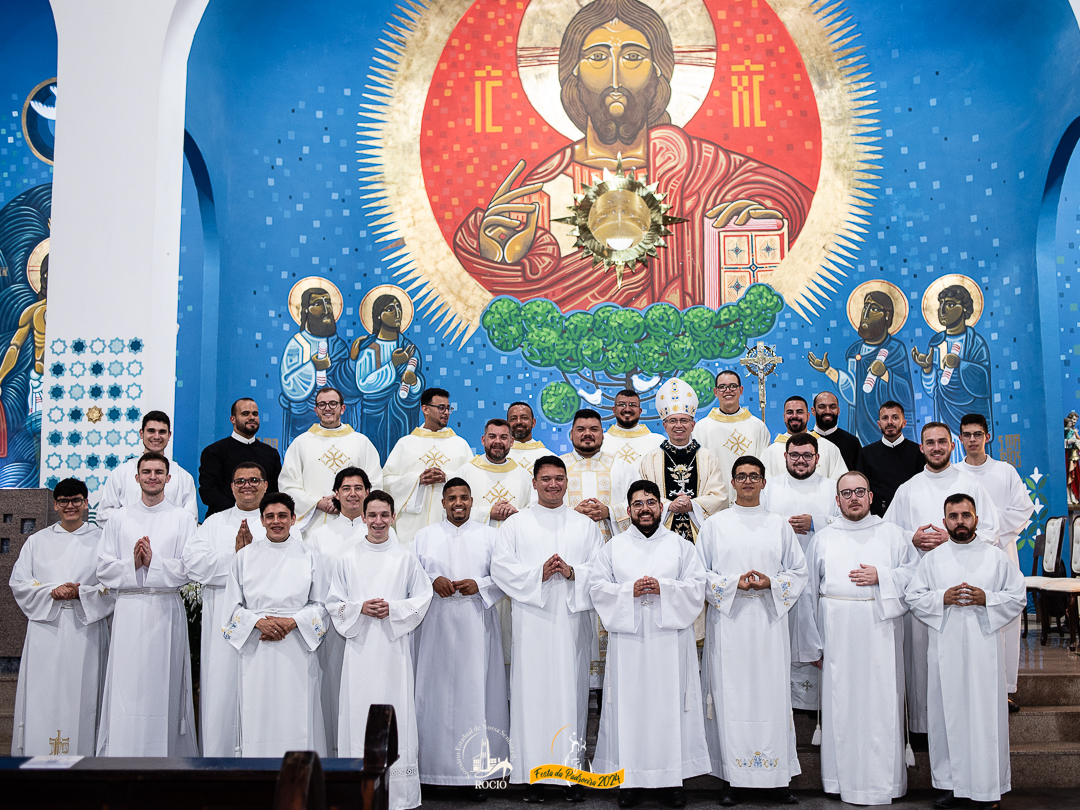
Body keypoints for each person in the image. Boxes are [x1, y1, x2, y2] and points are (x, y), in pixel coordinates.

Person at [451, 0, 814, 311]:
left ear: (659, 73)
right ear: (571, 74)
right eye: (596, 57)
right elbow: (525, 305)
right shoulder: (539, 193)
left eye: (634, 56)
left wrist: (766, 218)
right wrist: (494, 256)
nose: (615, 77)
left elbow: (787, 198)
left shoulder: (698, 167)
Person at [794, 471, 919, 806]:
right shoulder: (825, 537)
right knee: (842, 705)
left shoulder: (893, 534)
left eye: (859, 492)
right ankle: (838, 780)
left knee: (881, 704)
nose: (853, 498)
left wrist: (883, 576)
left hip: (880, 629)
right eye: (846, 493)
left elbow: (914, 576)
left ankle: (884, 783)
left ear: (870, 496)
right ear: (837, 501)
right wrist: (812, 641)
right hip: (836, 632)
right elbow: (807, 591)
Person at [590, 480, 710, 808]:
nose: (645, 509)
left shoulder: (680, 545)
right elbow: (597, 588)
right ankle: (628, 781)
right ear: (628, 511)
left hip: (670, 642)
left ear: (661, 506)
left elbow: (697, 587)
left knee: (669, 707)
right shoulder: (613, 547)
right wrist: (629, 591)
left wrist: (664, 589)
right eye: (638, 504)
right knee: (629, 709)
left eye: (651, 502)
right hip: (628, 641)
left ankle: (671, 780)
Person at [490, 456, 603, 802]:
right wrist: (536, 574)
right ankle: (534, 778)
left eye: (559, 479)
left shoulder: (585, 525)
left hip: (571, 624)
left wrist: (572, 573)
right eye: (546, 479)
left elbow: (599, 572)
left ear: (567, 482)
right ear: (534, 482)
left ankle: (570, 777)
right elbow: (500, 567)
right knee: (531, 697)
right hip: (533, 622)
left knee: (570, 695)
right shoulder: (516, 524)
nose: (553, 485)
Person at [697, 456, 808, 806]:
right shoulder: (716, 525)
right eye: (741, 476)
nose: (747, 482)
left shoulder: (778, 525)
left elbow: (798, 572)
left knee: (772, 697)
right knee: (731, 697)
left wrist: (770, 583)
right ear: (732, 482)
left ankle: (777, 779)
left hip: (768, 626)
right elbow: (700, 574)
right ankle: (733, 778)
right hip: (729, 625)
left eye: (754, 476)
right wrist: (734, 584)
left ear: (763, 483)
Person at [905, 494, 1025, 810]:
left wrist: (988, 599)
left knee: (984, 718)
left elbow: (1017, 597)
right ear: (945, 521)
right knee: (948, 717)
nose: (960, 521)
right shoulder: (932, 560)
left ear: (976, 518)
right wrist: (941, 598)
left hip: (984, 653)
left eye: (966, 515)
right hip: (945, 653)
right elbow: (914, 598)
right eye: (953, 516)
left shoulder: (996, 558)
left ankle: (986, 789)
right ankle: (951, 786)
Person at [883, 422, 999, 735]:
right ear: (921, 448)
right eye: (929, 442)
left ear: (952, 445)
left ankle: (966, 724)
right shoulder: (908, 489)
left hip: (964, 587)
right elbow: (888, 535)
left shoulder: (971, 485)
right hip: (925, 588)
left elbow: (991, 531)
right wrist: (913, 538)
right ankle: (923, 725)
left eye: (942, 442)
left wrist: (956, 538)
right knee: (922, 658)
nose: (936, 447)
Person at [329, 490, 433, 810]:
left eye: (384, 515)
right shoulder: (347, 557)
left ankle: (399, 795)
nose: (378, 522)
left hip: (393, 649)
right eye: (372, 515)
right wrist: (360, 608)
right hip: (360, 650)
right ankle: (356, 791)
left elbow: (422, 598)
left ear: (393, 517)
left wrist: (394, 610)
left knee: (395, 710)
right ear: (363, 517)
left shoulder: (405, 557)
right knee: (357, 712)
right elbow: (334, 603)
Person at [96, 451, 198, 756]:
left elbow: (189, 567)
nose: (152, 477)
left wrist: (152, 564)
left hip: (165, 609)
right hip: (128, 610)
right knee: (127, 686)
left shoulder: (182, 518)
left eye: (158, 472)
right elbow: (103, 568)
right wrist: (132, 565)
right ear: (136, 477)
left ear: (168, 479)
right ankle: (122, 752)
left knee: (163, 687)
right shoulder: (119, 518)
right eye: (146, 472)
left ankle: (166, 756)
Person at [414, 478, 509, 796]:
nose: (458, 503)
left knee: (476, 695)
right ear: (442, 502)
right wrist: (432, 581)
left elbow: (504, 575)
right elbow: (412, 575)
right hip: (435, 628)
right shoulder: (424, 536)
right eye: (452, 497)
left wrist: (480, 585)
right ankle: (432, 771)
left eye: (464, 498)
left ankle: (477, 775)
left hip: (476, 626)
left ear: (472, 501)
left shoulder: (490, 536)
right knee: (434, 695)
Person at [9, 478, 114, 756]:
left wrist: (83, 593)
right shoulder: (37, 541)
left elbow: (113, 585)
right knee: (45, 697)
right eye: (64, 501)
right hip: (47, 630)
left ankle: (85, 764)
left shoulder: (101, 540)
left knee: (84, 697)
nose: (71, 506)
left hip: (86, 631)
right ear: (55, 505)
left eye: (76, 500)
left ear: (86, 503)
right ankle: (37, 759)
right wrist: (51, 592)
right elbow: (19, 582)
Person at [221, 493, 328, 756]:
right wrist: (258, 622)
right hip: (257, 649)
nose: (276, 521)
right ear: (261, 520)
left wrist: (293, 621)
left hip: (297, 647)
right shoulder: (244, 557)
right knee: (258, 713)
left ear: (293, 519)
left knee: (297, 713)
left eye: (282, 516)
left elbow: (323, 605)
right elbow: (230, 610)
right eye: (270, 516)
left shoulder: (310, 555)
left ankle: (299, 780)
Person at [181, 463, 269, 756]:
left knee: (262, 696)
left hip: (264, 625)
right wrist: (238, 558)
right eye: (240, 481)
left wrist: (246, 561)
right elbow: (193, 563)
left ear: (266, 485)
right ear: (231, 487)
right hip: (222, 624)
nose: (247, 485)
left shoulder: (276, 521)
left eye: (254, 480)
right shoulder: (215, 523)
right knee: (220, 692)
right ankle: (218, 767)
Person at [306, 466, 386, 755]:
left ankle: (364, 754)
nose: (353, 494)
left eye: (358, 488)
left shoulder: (381, 532)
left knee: (365, 691)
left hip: (371, 627)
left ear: (367, 492)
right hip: (330, 625)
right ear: (336, 494)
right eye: (346, 488)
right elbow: (313, 585)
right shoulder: (320, 535)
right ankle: (332, 756)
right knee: (331, 690)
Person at [760, 433, 839, 713]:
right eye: (795, 455)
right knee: (784, 642)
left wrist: (816, 522)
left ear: (818, 458)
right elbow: (759, 522)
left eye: (807, 456)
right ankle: (784, 707)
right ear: (785, 457)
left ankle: (820, 710)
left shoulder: (833, 488)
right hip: (782, 580)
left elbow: (850, 521)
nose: (801, 461)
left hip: (822, 578)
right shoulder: (770, 488)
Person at [960, 413, 1034, 706]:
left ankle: (1003, 689)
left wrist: (990, 535)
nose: (973, 440)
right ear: (960, 438)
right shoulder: (955, 474)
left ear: (987, 436)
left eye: (978, 434)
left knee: (1004, 619)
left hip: (1001, 554)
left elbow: (1022, 509)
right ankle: (971, 688)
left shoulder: (1005, 471)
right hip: (964, 555)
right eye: (967, 435)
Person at [808, 289, 916, 443]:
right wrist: (828, 370)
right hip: (861, 426)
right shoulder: (855, 350)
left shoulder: (895, 349)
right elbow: (853, 393)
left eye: (873, 309)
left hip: (888, 431)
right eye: (865, 307)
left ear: (887, 315)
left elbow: (905, 393)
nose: (866, 314)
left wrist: (885, 374)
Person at [279, 386, 383, 532]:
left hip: (355, 522)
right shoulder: (301, 443)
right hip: (314, 522)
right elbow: (287, 484)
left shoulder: (361, 442)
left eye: (333, 403)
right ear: (316, 410)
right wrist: (317, 503)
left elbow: (375, 482)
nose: (327, 408)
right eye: (322, 404)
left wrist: (350, 504)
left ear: (343, 408)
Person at [637, 378, 726, 542]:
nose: (679, 425)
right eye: (673, 421)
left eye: (684, 420)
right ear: (665, 426)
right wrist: (669, 505)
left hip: (700, 537)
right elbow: (642, 497)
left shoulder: (707, 457)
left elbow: (719, 497)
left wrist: (693, 505)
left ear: (693, 425)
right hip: (661, 536)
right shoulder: (651, 459)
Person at [383, 387, 473, 545]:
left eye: (448, 408)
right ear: (425, 409)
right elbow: (386, 482)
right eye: (441, 408)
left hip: (449, 523)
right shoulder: (405, 444)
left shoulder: (460, 444)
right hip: (413, 527)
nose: (446, 412)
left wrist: (448, 477)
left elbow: (472, 481)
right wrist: (416, 480)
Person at [279, 285, 360, 446]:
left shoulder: (338, 345)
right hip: (304, 419)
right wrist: (312, 366)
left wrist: (351, 361)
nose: (325, 309)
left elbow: (346, 385)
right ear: (305, 311)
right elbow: (289, 384)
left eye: (328, 303)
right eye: (318, 304)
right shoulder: (297, 344)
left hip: (337, 423)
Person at [912, 284, 993, 440]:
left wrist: (961, 365)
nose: (942, 311)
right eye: (940, 305)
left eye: (949, 305)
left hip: (971, 420)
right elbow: (933, 390)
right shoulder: (936, 343)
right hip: (944, 416)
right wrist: (928, 369)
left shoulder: (975, 343)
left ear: (964, 308)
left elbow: (984, 383)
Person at [352, 291, 424, 461]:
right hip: (374, 416)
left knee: (403, 461)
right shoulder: (370, 348)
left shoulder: (409, 348)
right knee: (374, 461)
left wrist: (414, 383)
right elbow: (363, 384)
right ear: (378, 316)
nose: (397, 313)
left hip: (403, 415)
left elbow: (417, 386)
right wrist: (393, 365)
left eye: (399, 308)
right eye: (390, 309)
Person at [95, 410, 197, 526]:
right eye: (151, 431)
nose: (156, 436)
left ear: (169, 435)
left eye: (162, 432)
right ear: (141, 433)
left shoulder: (183, 477)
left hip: (169, 542)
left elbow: (190, 520)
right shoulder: (121, 473)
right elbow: (104, 515)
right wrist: (136, 524)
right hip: (129, 541)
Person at [692, 370, 771, 504]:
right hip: (715, 504)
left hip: (751, 502)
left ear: (741, 390)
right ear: (715, 392)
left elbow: (765, 467)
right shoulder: (702, 428)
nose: (728, 390)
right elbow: (699, 470)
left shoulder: (758, 426)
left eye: (733, 386)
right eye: (722, 387)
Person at [198, 398, 282, 517]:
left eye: (255, 414)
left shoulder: (271, 453)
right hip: (223, 519)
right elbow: (209, 491)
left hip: (261, 522)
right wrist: (239, 513)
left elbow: (275, 491)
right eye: (245, 414)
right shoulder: (214, 451)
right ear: (233, 419)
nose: (251, 417)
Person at [561, 408, 633, 541]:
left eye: (594, 429)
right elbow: (539, 506)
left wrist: (609, 512)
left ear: (603, 434)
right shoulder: (557, 466)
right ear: (571, 434)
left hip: (611, 547)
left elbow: (637, 503)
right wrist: (571, 513)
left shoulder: (621, 466)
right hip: (568, 544)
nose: (587, 434)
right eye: (581, 429)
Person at [454, 419, 533, 527]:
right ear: (483, 440)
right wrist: (488, 513)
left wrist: (515, 512)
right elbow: (452, 510)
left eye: (503, 437)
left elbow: (533, 511)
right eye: (492, 437)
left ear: (511, 442)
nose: (497, 441)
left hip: (513, 540)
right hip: (475, 540)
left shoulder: (524, 476)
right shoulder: (465, 472)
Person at [855, 400, 926, 517]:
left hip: (912, 514)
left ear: (904, 423)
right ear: (879, 424)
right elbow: (861, 488)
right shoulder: (867, 453)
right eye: (885, 418)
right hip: (877, 518)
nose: (889, 422)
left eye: (895, 417)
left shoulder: (918, 452)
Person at [762, 396, 847, 481]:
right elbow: (766, 487)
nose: (794, 416)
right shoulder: (769, 453)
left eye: (800, 412)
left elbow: (840, 483)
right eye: (790, 412)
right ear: (784, 417)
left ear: (808, 416)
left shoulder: (829, 448)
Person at [603, 389, 663, 467]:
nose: (627, 409)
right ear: (614, 410)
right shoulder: (601, 441)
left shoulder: (658, 442)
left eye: (633, 405)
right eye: (622, 405)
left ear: (640, 411)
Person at [811, 391, 861, 471]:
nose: (827, 411)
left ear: (838, 410)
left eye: (832, 407)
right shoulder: (805, 440)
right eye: (822, 407)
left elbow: (859, 476)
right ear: (813, 411)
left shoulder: (852, 442)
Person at [507, 400, 552, 475]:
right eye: (513, 418)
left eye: (524, 418)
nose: (518, 422)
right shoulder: (499, 456)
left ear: (533, 423)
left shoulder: (549, 457)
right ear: (507, 424)